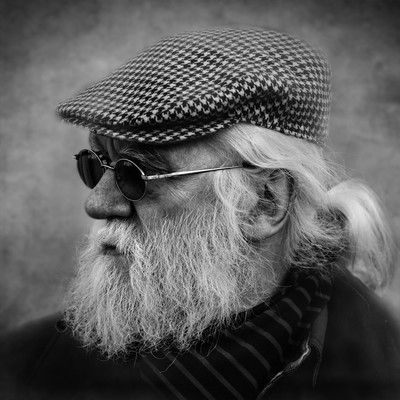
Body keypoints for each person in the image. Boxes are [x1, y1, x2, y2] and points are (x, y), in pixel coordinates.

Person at [1, 27, 399, 400]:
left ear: (264, 203)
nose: (98, 203)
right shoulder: (25, 368)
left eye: (137, 174)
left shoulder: (382, 375)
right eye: (95, 164)